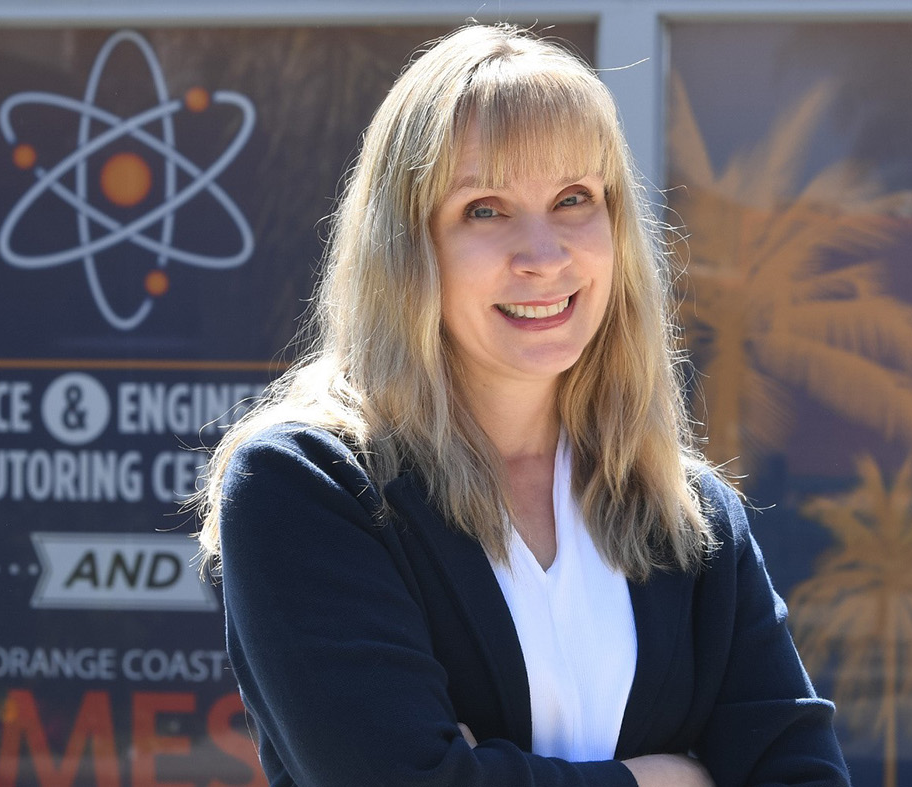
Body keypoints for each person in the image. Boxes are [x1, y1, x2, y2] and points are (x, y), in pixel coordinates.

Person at [194, 24, 850, 787]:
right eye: (485, 209)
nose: (543, 255)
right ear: (409, 247)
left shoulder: (684, 512)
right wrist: (667, 778)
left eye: (574, 199)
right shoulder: (308, 487)